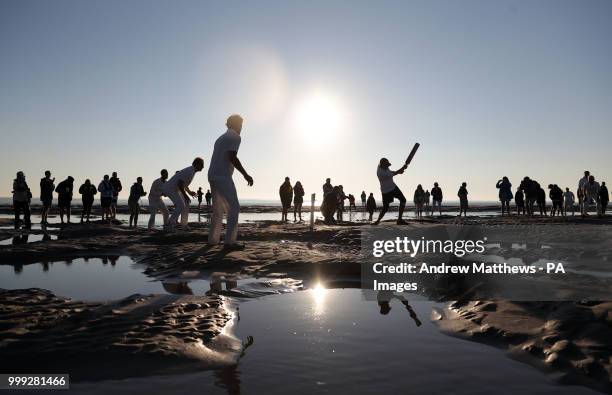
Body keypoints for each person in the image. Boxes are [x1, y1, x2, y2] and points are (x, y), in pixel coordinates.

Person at [208, 114, 253, 249]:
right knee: (234, 207)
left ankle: (213, 240)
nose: (241, 128)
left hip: (212, 175)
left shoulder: (221, 138)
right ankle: (229, 242)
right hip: (222, 176)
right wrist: (245, 174)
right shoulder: (235, 137)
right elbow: (232, 157)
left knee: (218, 210)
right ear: (235, 124)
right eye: (240, 125)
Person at [164, 157, 204, 230]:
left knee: (185, 204)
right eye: (202, 165)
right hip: (170, 189)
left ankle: (183, 224)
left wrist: (189, 192)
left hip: (175, 189)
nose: (203, 167)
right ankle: (169, 224)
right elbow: (180, 184)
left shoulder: (192, 171)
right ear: (197, 164)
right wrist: (185, 195)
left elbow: (184, 184)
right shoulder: (190, 171)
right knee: (181, 205)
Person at [374, 158, 408, 225]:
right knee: (385, 208)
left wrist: (400, 171)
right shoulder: (380, 173)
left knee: (403, 200)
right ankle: (377, 221)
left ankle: (399, 219)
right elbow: (394, 173)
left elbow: (392, 172)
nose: (388, 166)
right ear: (383, 165)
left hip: (393, 187)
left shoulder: (383, 166)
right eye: (386, 165)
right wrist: (402, 168)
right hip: (386, 191)